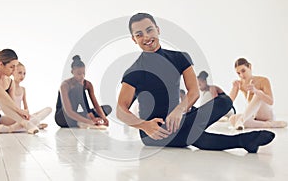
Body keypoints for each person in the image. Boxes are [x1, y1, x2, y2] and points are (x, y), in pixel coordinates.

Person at [116, 13, 275, 153]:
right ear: (134, 39)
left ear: (158, 29)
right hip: (155, 132)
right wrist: (145, 126)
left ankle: (245, 141)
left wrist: (179, 110)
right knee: (194, 134)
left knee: (224, 102)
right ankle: (245, 141)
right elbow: (120, 110)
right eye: (139, 34)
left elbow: (194, 92)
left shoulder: (180, 58)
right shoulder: (133, 72)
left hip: (180, 120)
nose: (146, 37)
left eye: (149, 30)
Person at [0, 49, 39, 134]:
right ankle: (26, 124)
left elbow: (11, 105)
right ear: (1, 64)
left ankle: (26, 123)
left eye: (16, 66)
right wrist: (20, 111)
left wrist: (23, 114)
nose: (14, 70)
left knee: (28, 118)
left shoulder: (10, 82)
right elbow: (1, 95)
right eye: (12, 67)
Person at [0, 62, 52, 133]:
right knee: (32, 118)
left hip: (21, 115)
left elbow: (25, 106)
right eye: (19, 73)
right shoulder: (8, 86)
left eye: (24, 73)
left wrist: (27, 113)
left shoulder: (23, 89)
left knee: (49, 109)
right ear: (13, 72)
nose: (22, 76)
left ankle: (33, 124)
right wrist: (21, 114)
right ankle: (14, 128)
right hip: (11, 116)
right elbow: (7, 105)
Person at [229, 58, 287, 129]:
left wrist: (255, 91)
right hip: (254, 116)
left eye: (243, 71)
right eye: (238, 73)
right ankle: (270, 125)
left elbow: (271, 101)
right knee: (232, 119)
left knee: (258, 94)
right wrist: (234, 88)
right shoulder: (240, 84)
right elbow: (229, 102)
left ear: (249, 67)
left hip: (266, 114)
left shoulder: (263, 80)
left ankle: (241, 120)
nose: (241, 75)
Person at [55, 55, 111, 128]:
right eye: (79, 74)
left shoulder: (88, 84)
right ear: (72, 72)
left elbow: (96, 104)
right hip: (64, 117)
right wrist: (90, 121)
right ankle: (86, 119)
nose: (82, 76)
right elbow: (68, 111)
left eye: (83, 73)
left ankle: (82, 121)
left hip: (78, 114)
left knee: (107, 108)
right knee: (78, 87)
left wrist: (104, 118)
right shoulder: (65, 85)